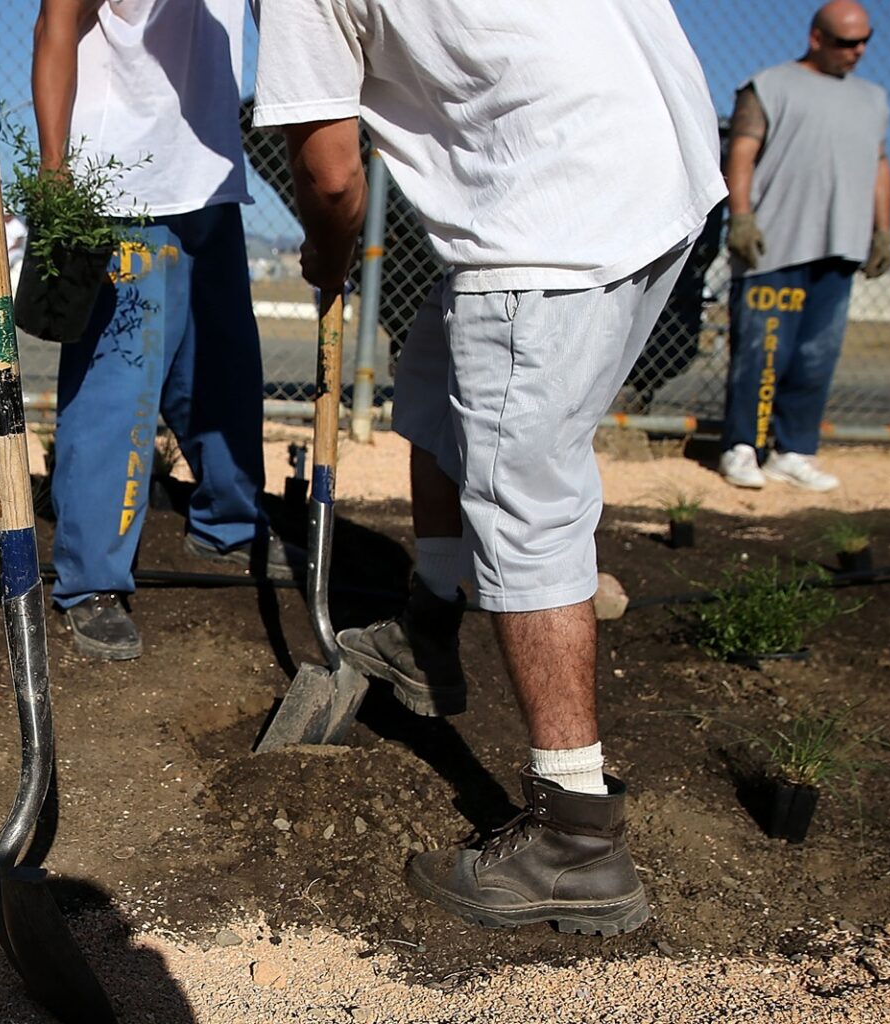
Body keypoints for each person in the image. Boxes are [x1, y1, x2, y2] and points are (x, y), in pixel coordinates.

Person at [255, 0, 722, 934]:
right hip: (659, 170)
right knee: (438, 364)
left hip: (554, 206)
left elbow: (333, 174)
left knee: (525, 500)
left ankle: (576, 834)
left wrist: (326, 251)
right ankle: (432, 624)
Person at [33, 0, 300, 662]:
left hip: (208, 177)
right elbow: (56, 20)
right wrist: (55, 168)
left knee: (221, 371)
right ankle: (90, 583)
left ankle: (229, 523)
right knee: (117, 391)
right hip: (122, 186)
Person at [717, 0, 890, 493]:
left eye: (864, 41)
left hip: (840, 246)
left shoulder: (873, 98)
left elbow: (880, 165)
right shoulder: (770, 85)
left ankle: (792, 451)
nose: (857, 51)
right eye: (845, 42)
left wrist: (883, 230)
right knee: (763, 352)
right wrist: (743, 217)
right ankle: (741, 447)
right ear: (817, 37)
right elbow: (742, 150)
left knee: (817, 356)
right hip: (774, 246)